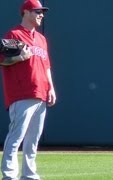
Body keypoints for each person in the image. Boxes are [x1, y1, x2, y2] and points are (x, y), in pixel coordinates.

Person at [0, 0, 56, 179]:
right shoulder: (13, 34)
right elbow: (2, 59)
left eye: (42, 12)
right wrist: (18, 57)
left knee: (33, 140)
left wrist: (51, 88)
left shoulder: (41, 39)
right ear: (25, 12)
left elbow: (46, 65)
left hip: (41, 93)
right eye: (37, 11)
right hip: (21, 93)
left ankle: (29, 175)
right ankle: (9, 175)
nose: (41, 15)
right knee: (16, 137)